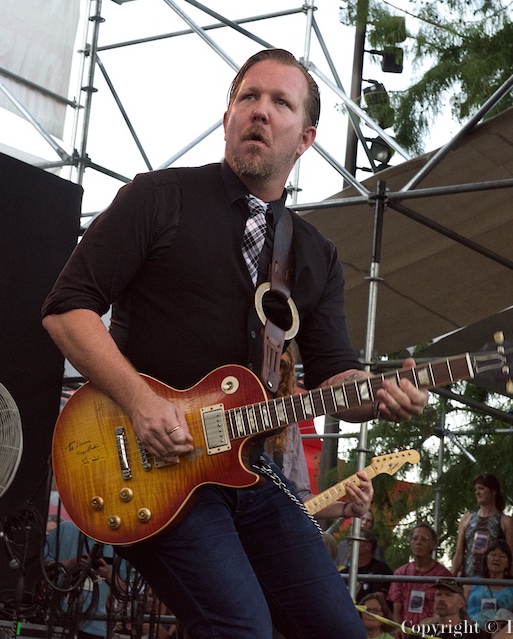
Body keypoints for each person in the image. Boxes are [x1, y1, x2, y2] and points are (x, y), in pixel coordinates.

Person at [41, 48, 430, 638]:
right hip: (149, 464)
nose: (260, 111)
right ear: (228, 117)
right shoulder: (158, 197)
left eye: (280, 103)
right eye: (248, 97)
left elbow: (336, 376)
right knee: (241, 629)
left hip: (248, 468)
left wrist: (378, 395)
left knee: (339, 629)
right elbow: (67, 309)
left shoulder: (316, 255)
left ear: (306, 139)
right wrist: (142, 405)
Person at [267, 347, 373, 521]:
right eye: (269, 363)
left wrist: (349, 508)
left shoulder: (288, 425)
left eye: (282, 366)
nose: (273, 372)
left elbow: (301, 498)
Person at [43, 520, 123, 639]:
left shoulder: (120, 543)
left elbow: (126, 589)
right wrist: (67, 564)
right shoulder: (65, 529)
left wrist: (107, 573)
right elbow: (39, 568)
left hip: (96, 626)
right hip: (55, 619)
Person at [452, 474, 513, 577]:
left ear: (493, 492)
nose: (477, 492)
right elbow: (459, 554)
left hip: (493, 581)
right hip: (468, 579)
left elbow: (510, 556)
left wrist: (509, 580)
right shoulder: (466, 519)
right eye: (476, 489)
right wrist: (450, 579)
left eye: (481, 489)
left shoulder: (505, 521)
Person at [388, 523, 453, 627]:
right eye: (415, 539)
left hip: (433, 630)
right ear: (410, 543)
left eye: (423, 539)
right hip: (405, 630)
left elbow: (448, 610)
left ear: (432, 545)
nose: (418, 542)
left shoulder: (443, 575)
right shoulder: (401, 573)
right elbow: (396, 610)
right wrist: (399, 628)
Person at [465, 539, 513, 627]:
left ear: (508, 563)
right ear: (486, 559)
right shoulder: (470, 584)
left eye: (502, 556)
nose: (497, 559)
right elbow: (460, 612)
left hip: (502, 631)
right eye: (493, 555)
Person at [340, 528, 393, 597]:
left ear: (368, 546)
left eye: (355, 540)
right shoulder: (343, 573)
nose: (350, 543)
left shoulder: (381, 570)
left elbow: (378, 599)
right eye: (349, 541)